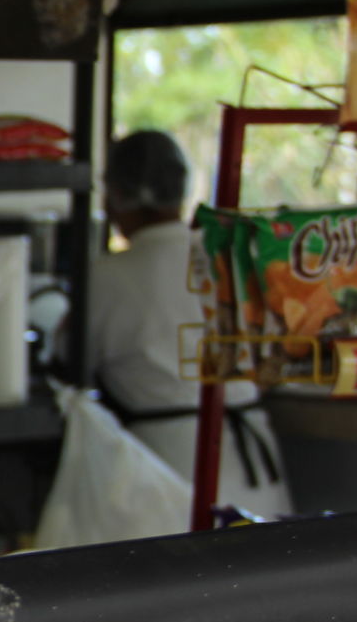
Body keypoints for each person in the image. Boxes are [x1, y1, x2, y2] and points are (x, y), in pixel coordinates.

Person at [91, 130, 293, 518]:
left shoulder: (106, 276)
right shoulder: (227, 259)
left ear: (117, 196)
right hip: (254, 462)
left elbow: (72, 359)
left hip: (169, 466)